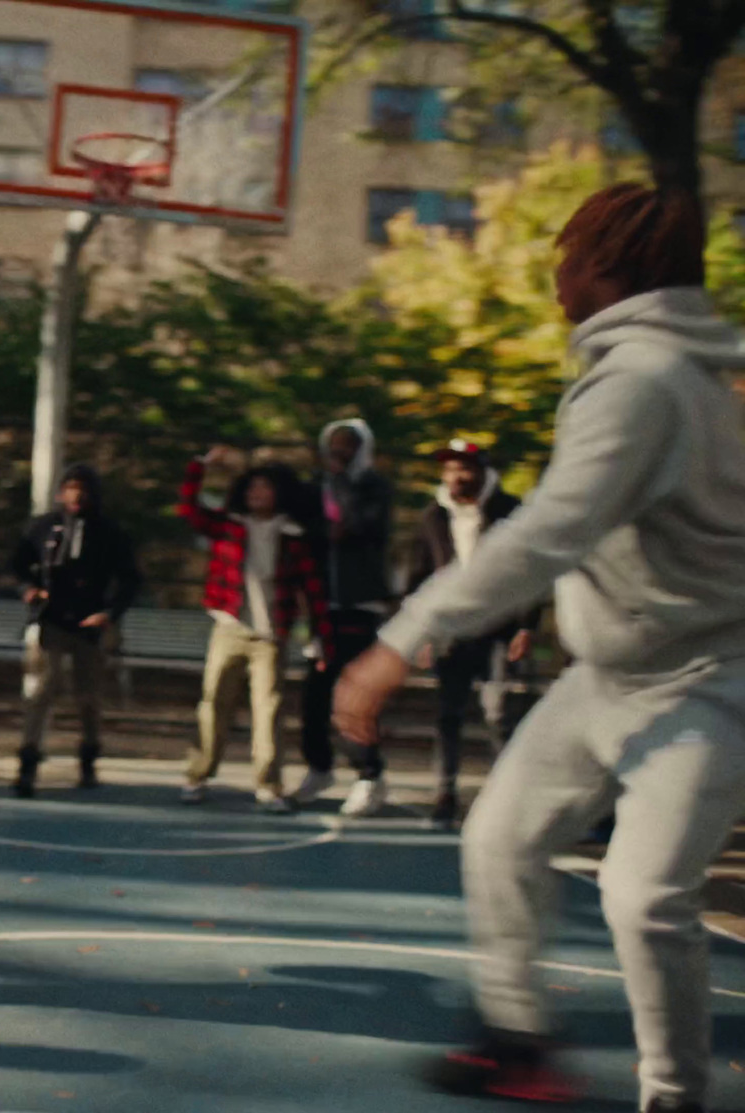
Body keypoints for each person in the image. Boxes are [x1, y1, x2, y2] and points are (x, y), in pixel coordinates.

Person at [334, 184, 745, 1113]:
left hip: (709, 681)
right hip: (609, 672)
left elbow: (550, 529)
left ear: (606, 264)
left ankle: (674, 1096)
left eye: (566, 252)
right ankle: (518, 1042)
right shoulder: (668, 369)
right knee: (499, 839)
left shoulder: (644, 382)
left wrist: (402, 640)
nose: (554, 268)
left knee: (644, 897)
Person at [177, 448, 330, 811]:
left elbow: (312, 590)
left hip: (272, 636)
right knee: (214, 702)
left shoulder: (294, 536)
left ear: (280, 494)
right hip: (230, 628)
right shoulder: (230, 526)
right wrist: (199, 467)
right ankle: (197, 775)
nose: (256, 495)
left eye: (265, 489)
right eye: (252, 489)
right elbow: (188, 509)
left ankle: (268, 785)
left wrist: (317, 636)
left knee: (269, 710)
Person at [406, 438, 540, 829]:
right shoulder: (433, 516)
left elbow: (532, 572)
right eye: (448, 469)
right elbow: (418, 576)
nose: (455, 476)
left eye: (463, 468)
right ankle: (445, 793)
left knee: (499, 714)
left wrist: (527, 625)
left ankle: (505, 799)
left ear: (481, 471)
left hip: (499, 628)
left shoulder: (510, 512)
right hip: (452, 631)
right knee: (448, 714)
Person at [10, 464, 141, 799]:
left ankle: (88, 756)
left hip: (90, 623)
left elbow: (130, 579)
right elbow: (18, 563)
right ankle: (28, 760)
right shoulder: (43, 527)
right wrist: (29, 589)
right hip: (53, 618)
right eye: (70, 488)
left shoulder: (109, 532)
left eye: (83, 489)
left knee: (88, 696)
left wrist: (109, 613)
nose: (76, 495)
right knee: (42, 689)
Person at [296, 418, 394, 817]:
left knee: (354, 696)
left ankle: (370, 774)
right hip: (321, 605)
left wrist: (343, 485)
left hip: (359, 604)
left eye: (349, 445)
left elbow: (356, 528)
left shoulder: (373, 487)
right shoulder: (316, 487)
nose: (340, 452)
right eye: (334, 445)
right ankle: (319, 767)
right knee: (313, 697)